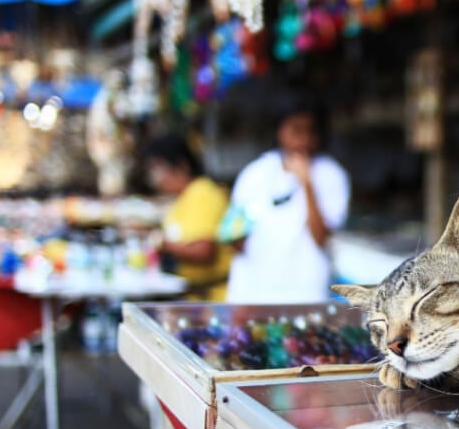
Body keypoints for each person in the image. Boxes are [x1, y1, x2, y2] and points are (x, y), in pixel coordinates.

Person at [223, 92, 351, 303]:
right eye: (296, 130)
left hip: (304, 293)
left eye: (311, 131)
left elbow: (321, 238)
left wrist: (307, 183)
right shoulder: (255, 173)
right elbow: (234, 236)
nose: (304, 139)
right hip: (252, 291)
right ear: (279, 129)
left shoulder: (331, 175)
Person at [142, 133, 233, 301]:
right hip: (196, 299)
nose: (155, 178)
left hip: (214, 300)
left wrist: (163, 244)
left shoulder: (203, 193)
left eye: (158, 169)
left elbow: (204, 251)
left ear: (181, 166)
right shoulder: (184, 198)